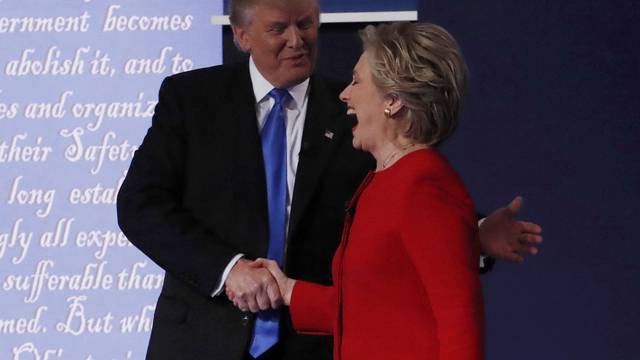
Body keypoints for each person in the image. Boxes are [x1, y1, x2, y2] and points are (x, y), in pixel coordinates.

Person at [116, 0, 542, 359]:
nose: (297, 39)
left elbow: (419, 215)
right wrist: (233, 272)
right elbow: (140, 204)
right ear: (242, 36)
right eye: (278, 28)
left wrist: (477, 230)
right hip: (203, 340)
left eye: (306, 24)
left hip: (314, 346)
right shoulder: (191, 99)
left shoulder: (368, 127)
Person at [236, 21, 483, 360]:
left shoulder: (423, 186)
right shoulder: (381, 181)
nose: (344, 94)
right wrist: (289, 290)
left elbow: (459, 322)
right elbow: (365, 311)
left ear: (393, 100)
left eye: (356, 81)